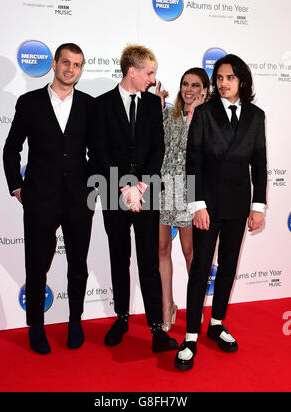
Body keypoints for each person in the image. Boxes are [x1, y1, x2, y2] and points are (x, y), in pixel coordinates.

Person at [175, 54, 267, 371]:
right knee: (201, 266)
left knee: (228, 265)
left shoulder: (256, 116)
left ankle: (216, 323)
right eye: (219, 77)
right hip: (208, 205)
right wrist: (197, 205)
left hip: (239, 204)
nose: (223, 83)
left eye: (229, 77)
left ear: (241, 80)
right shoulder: (204, 113)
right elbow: (193, 163)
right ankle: (190, 335)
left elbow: (261, 164)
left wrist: (259, 207)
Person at [3, 43, 94, 354]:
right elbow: (11, 148)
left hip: (79, 199)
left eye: (77, 65)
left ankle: (75, 322)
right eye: (66, 62)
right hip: (40, 198)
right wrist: (17, 186)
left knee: (78, 264)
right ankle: (36, 327)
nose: (71, 69)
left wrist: (92, 189)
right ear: (54, 64)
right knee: (36, 263)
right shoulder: (29, 102)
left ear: (82, 70)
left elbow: (96, 153)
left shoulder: (88, 105)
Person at [93, 44, 178, 353]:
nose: (152, 78)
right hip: (114, 192)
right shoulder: (101, 105)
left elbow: (158, 149)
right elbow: (98, 152)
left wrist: (139, 186)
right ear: (132, 71)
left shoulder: (155, 106)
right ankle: (122, 318)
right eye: (149, 72)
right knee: (119, 256)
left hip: (146, 191)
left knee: (149, 259)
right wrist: (122, 187)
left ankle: (156, 326)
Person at [157, 68, 210, 332]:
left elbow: (191, 151)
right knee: (162, 250)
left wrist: (193, 116)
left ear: (204, 90)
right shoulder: (169, 114)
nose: (188, 89)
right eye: (185, 84)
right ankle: (168, 306)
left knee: (190, 252)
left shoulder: (209, 118)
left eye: (195, 85)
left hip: (190, 192)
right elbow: (160, 147)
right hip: (164, 189)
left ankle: (196, 306)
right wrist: (156, 108)